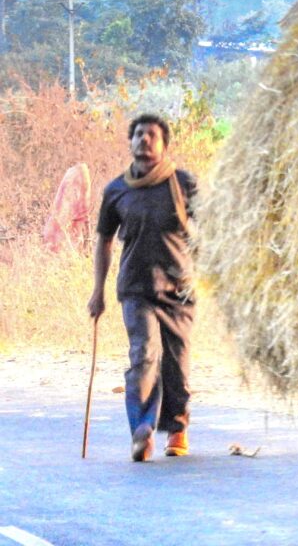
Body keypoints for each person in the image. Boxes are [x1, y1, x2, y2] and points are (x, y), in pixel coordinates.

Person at [88, 113, 197, 462]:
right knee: (144, 356)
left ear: (164, 143)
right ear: (130, 141)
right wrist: (97, 291)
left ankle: (177, 428)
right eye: (138, 134)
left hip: (179, 289)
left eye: (151, 134)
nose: (144, 140)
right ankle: (142, 430)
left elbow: (211, 226)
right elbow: (104, 241)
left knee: (176, 367)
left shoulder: (182, 183)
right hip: (136, 288)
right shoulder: (117, 190)